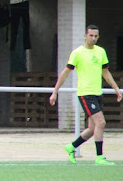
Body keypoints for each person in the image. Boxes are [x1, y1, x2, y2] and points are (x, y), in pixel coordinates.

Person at [49, 24, 121, 165]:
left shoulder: (101, 52)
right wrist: (55, 91)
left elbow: (106, 73)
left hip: (97, 94)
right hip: (85, 94)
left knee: (92, 129)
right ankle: (99, 157)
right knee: (101, 122)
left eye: (96, 36)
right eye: (91, 35)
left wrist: (116, 88)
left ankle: (71, 147)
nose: (93, 38)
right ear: (85, 36)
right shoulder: (77, 53)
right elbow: (65, 73)